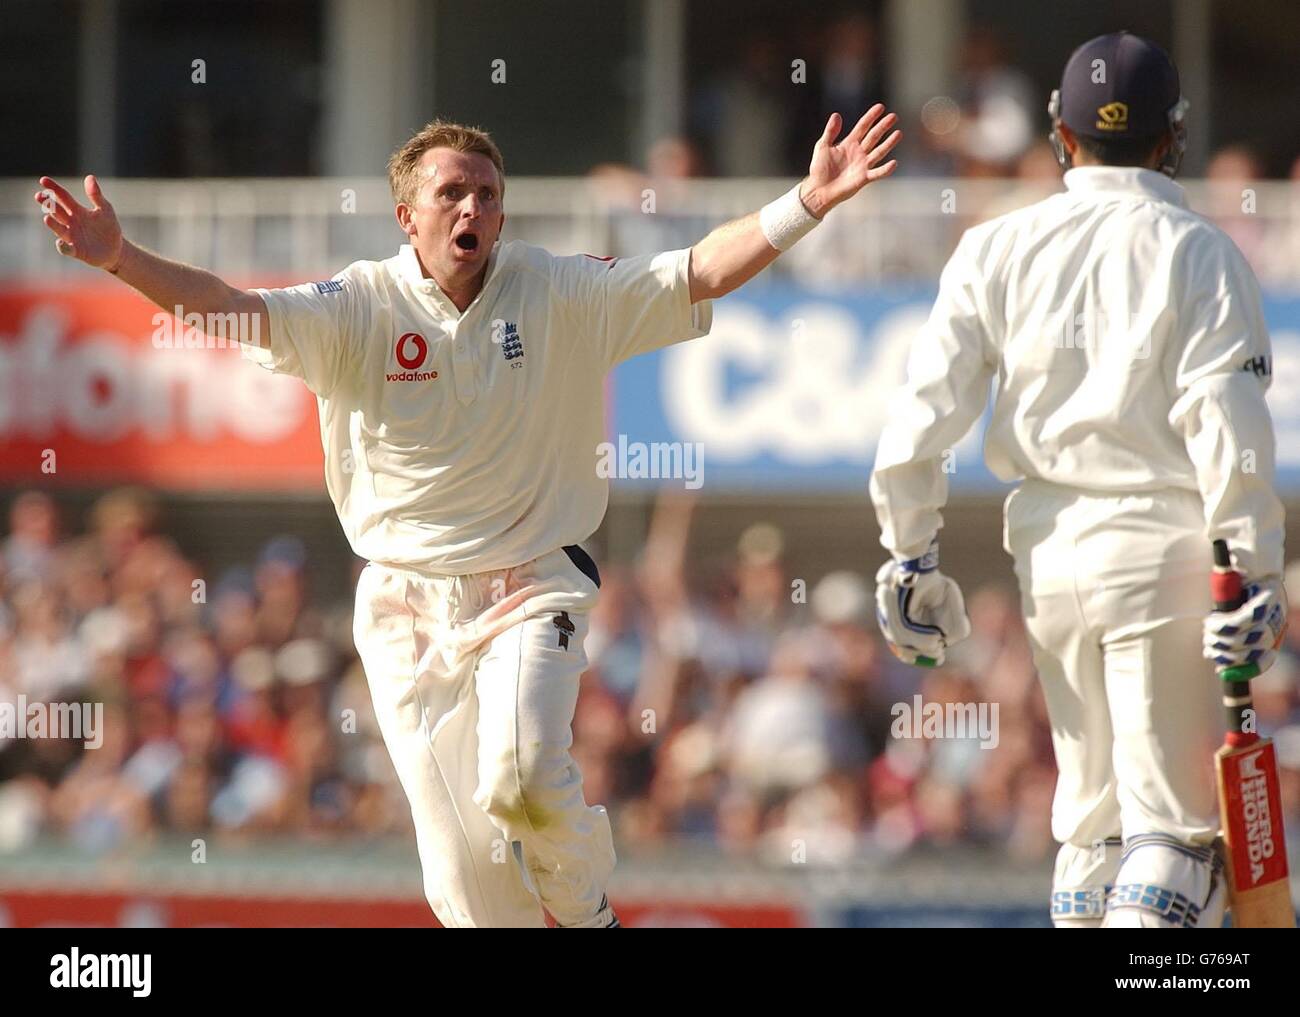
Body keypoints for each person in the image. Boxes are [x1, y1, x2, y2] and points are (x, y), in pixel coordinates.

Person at [36, 108, 901, 928]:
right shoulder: (358, 308)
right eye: (451, 193)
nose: (473, 208)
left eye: (487, 193)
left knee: (521, 773)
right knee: (465, 882)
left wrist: (807, 203)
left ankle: (589, 911)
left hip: (529, 583)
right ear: (405, 214)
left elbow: (698, 270)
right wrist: (123, 259)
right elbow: (232, 307)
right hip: (405, 610)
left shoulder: (558, 291)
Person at [868, 31, 1286, 928]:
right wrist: (1254, 571)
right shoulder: (1201, 251)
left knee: (1092, 828)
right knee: (1172, 837)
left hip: (1048, 556)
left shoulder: (995, 247)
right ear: (1174, 136)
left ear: (1060, 135)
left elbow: (918, 419)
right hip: (1163, 547)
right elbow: (1232, 428)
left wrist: (909, 556)